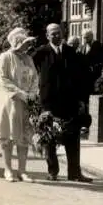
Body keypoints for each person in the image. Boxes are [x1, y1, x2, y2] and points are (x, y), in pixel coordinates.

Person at [32, 23, 92, 182]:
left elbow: (80, 77)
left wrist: (81, 100)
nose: (56, 36)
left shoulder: (70, 52)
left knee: (73, 137)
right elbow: (29, 71)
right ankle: (53, 171)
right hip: (49, 102)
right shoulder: (41, 53)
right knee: (50, 138)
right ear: (47, 36)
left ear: (63, 33)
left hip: (69, 102)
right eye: (53, 34)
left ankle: (75, 172)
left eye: (58, 33)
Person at [0, 28, 38, 182]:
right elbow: (3, 80)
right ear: (17, 42)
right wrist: (22, 94)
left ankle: (22, 170)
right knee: (7, 135)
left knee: (24, 136)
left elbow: (35, 76)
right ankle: (8, 169)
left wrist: (33, 94)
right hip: (9, 101)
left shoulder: (28, 59)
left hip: (26, 103)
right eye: (25, 43)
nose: (28, 46)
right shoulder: (5, 57)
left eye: (28, 43)